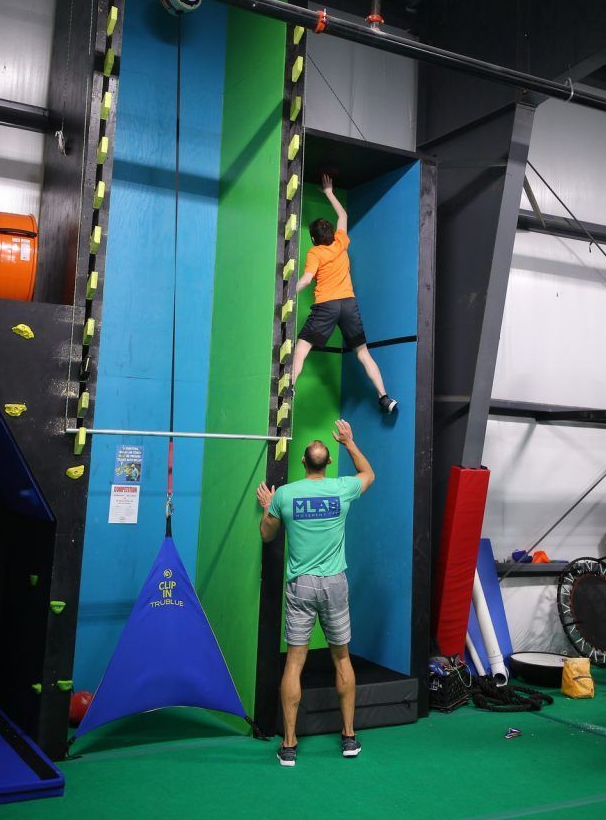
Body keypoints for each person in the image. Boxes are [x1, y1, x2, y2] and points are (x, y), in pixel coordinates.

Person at [255, 419, 375, 767]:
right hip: (335, 583)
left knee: (294, 662)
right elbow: (369, 474)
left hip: (301, 585)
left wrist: (268, 506)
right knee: (342, 658)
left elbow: (266, 535)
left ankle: (289, 745)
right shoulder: (342, 488)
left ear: (304, 464)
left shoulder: (286, 494)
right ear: (328, 464)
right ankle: (349, 738)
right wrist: (350, 441)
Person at [293, 174, 397, 414]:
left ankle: (290, 388)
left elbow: (308, 279)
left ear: (313, 239)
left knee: (301, 348)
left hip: (327, 306)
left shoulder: (315, 253)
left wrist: (289, 293)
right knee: (363, 353)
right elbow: (343, 216)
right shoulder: (341, 241)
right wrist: (329, 192)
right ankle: (384, 397)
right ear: (330, 233)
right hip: (349, 305)